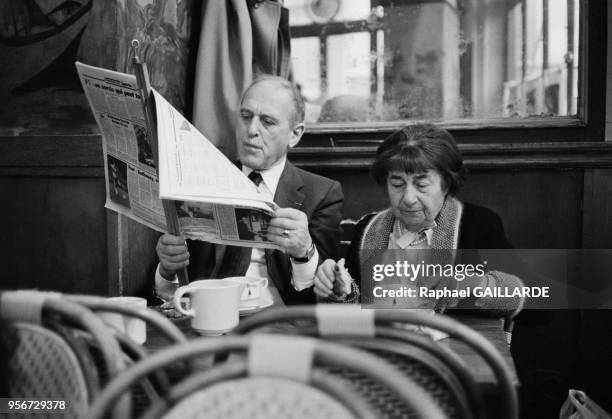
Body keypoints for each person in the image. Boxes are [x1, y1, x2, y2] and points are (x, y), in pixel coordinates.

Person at [156, 75, 343, 305]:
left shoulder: (322, 194)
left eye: (267, 122)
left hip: (280, 323)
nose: (252, 130)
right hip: (206, 315)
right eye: (245, 117)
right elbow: (169, 289)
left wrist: (304, 251)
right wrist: (166, 270)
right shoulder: (200, 181)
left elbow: (325, 292)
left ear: (294, 134)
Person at [314, 124, 523, 317]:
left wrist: (477, 284)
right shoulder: (367, 229)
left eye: (421, 185)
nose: (408, 198)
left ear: (447, 184)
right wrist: (340, 289)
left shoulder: (477, 225)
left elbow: (538, 307)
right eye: (397, 184)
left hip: (451, 354)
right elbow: (356, 309)